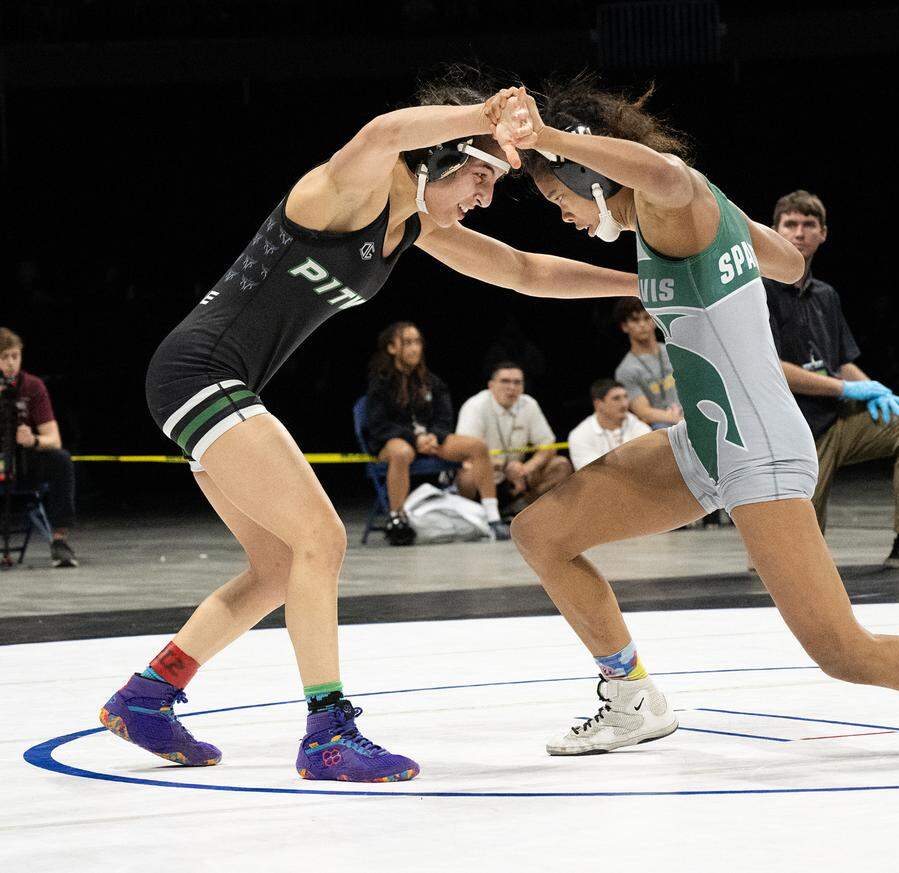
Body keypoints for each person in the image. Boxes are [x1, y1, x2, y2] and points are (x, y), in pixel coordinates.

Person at [486, 79, 899, 761]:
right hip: (709, 443)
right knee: (541, 530)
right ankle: (631, 697)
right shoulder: (690, 208)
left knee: (840, 648)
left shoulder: (671, 200)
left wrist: (544, 138)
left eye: (558, 195)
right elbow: (784, 258)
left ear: (590, 170)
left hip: (759, 449)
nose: (562, 212)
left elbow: (666, 174)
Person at [99, 71, 639, 784]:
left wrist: (642, 286)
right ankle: (326, 732)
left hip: (210, 384)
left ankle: (148, 694)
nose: (483, 199)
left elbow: (523, 272)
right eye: (479, 179)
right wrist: (485, 112)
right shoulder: (348, 190)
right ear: (442, 157)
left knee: (279, 568)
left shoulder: (414, 225)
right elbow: (383, 132)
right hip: (197, 373)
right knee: (321, 537)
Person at [762, 190, 899, 568]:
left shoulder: (825, 295)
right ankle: (778, 555)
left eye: (809, 225)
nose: (800, 233)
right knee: (791, 561)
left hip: (836, 420)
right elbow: (773, 369)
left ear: (824, 233)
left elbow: (842, 361)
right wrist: (846, 388)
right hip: (792, 433)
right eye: (791, 224)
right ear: (775, 232)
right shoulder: (760, 291)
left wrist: (874, 389)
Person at [366, 321, 509, 545]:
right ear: (392, 348)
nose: (414, 348)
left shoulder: (431, 381)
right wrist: (414, 439)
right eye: (407, 343)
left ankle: (493, 518)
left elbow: (444, 418)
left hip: (430, 441)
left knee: (477, 446)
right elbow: (378, 424)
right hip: (395, 443)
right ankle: (397, 519)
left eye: (417, 342)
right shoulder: (380, 382)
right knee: (402, 452)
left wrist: (434, 435)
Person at [0, 327, 79, 567]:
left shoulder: (32, 386)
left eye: (15, 356)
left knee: (61, 460)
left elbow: (53, 438)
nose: (11, 363)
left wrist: (33, 439)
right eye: (4, 357)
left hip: (24, 461)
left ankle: (59, 540)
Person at [455, 361, 571, 516]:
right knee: (466, 476)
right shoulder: (475, 406)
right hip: (487, 476)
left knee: (560, 465)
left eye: (517, 382)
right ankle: (474, 517)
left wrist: (526, 468)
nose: (511, 387)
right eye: (505, 381)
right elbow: (465, 454)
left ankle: (522, 511)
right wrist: (504, 467)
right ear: (491, 385)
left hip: (518, 478)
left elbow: (548, 446)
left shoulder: (529, 404)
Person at [613, 298, 682, 429]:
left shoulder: (675, 351)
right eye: (635, 320)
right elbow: (643, 412)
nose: (642, 324)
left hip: (688, 413)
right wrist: (678, 419)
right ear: (624, 326)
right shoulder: (626, 370)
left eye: (646, 318)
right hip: (659, 425)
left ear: (654, 320)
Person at [568, 378, 651, 469]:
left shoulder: (638, 427)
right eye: (616, 399)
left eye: (626, 397)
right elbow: (591, 473)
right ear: (598, 404)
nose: (624, 404)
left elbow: (649, 461)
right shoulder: (580, 435)